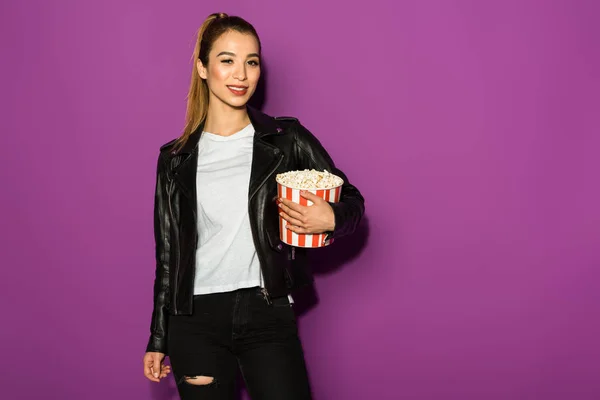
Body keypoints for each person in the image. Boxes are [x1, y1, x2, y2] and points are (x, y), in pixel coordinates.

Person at [142, 12, 365, 400]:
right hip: (194, 319)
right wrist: (158, 337)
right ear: (203, 68)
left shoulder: (285, 139)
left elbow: (352, 201)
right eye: (227, 60)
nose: (241, 74)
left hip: (266, 310)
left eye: (252, 61)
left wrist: (329, 217)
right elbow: (168, 254)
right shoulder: (175, 159)